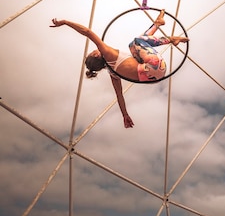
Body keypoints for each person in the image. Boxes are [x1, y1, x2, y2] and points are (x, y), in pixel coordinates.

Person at [50, 10, 188, 128]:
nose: (95, 50)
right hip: (155, 64)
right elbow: (87, 32)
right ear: (97, 54)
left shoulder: (112, 72)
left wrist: (125, 115)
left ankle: (157, 23)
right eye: (93, 52)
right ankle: (171, 39)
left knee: (135, 44)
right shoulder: (107, 53)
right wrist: (66, 22)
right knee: (136, 42)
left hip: (155, 75)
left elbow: (119, 95)